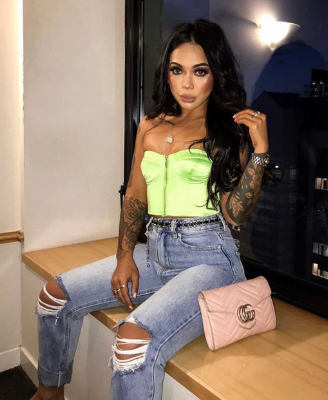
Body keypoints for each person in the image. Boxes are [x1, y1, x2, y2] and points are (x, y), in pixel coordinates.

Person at [31, 19, 269, 400]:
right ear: (166, 74)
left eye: (199, 72)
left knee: (132, 343)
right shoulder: (150, 125)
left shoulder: (227, 133)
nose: (187, 84)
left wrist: (259, 153)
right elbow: (135, 195)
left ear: (215, 74)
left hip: (209, 259)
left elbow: (234, 214)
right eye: (178, 70)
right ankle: (48, 393)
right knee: (54, 296)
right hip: (155, 250)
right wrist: (124, 256)